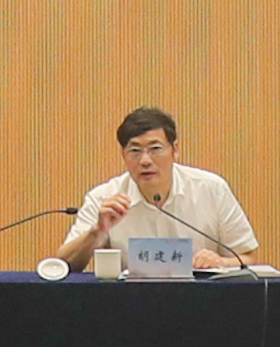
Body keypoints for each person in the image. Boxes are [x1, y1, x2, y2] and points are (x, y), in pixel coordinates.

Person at [74, 104, 263, 270]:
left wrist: (221, 262)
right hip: (131, 297)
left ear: (175, 150)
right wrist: (96, 231)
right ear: (123, 155)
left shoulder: (211, 189)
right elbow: (66, 265)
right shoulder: (104, 198)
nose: (145, 160)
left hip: (201, 296)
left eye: (155, 149)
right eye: (135, 151)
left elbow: (248, 257)